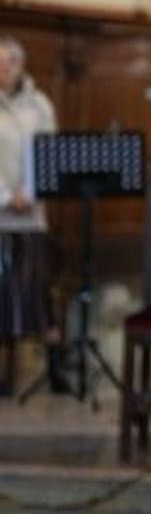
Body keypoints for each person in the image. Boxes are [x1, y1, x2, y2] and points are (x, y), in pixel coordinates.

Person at [0, 37, 60, 394]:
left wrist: (31, 194)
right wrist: (7, 196)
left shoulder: (40, 106)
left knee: (36, 290)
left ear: (20, 66)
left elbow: (49, 157)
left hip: (31, 217)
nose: (2, 70)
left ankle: (52, 371)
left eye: (7, 64)